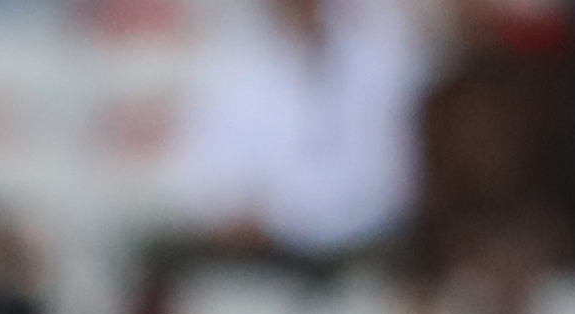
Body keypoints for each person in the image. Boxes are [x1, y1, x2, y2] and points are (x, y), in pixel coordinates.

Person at [168, 0, 423, 265]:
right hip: (271, 265)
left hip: (378, 251)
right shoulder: (233, 65)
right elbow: (205, 188)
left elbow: (398, 170)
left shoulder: (377, 45)